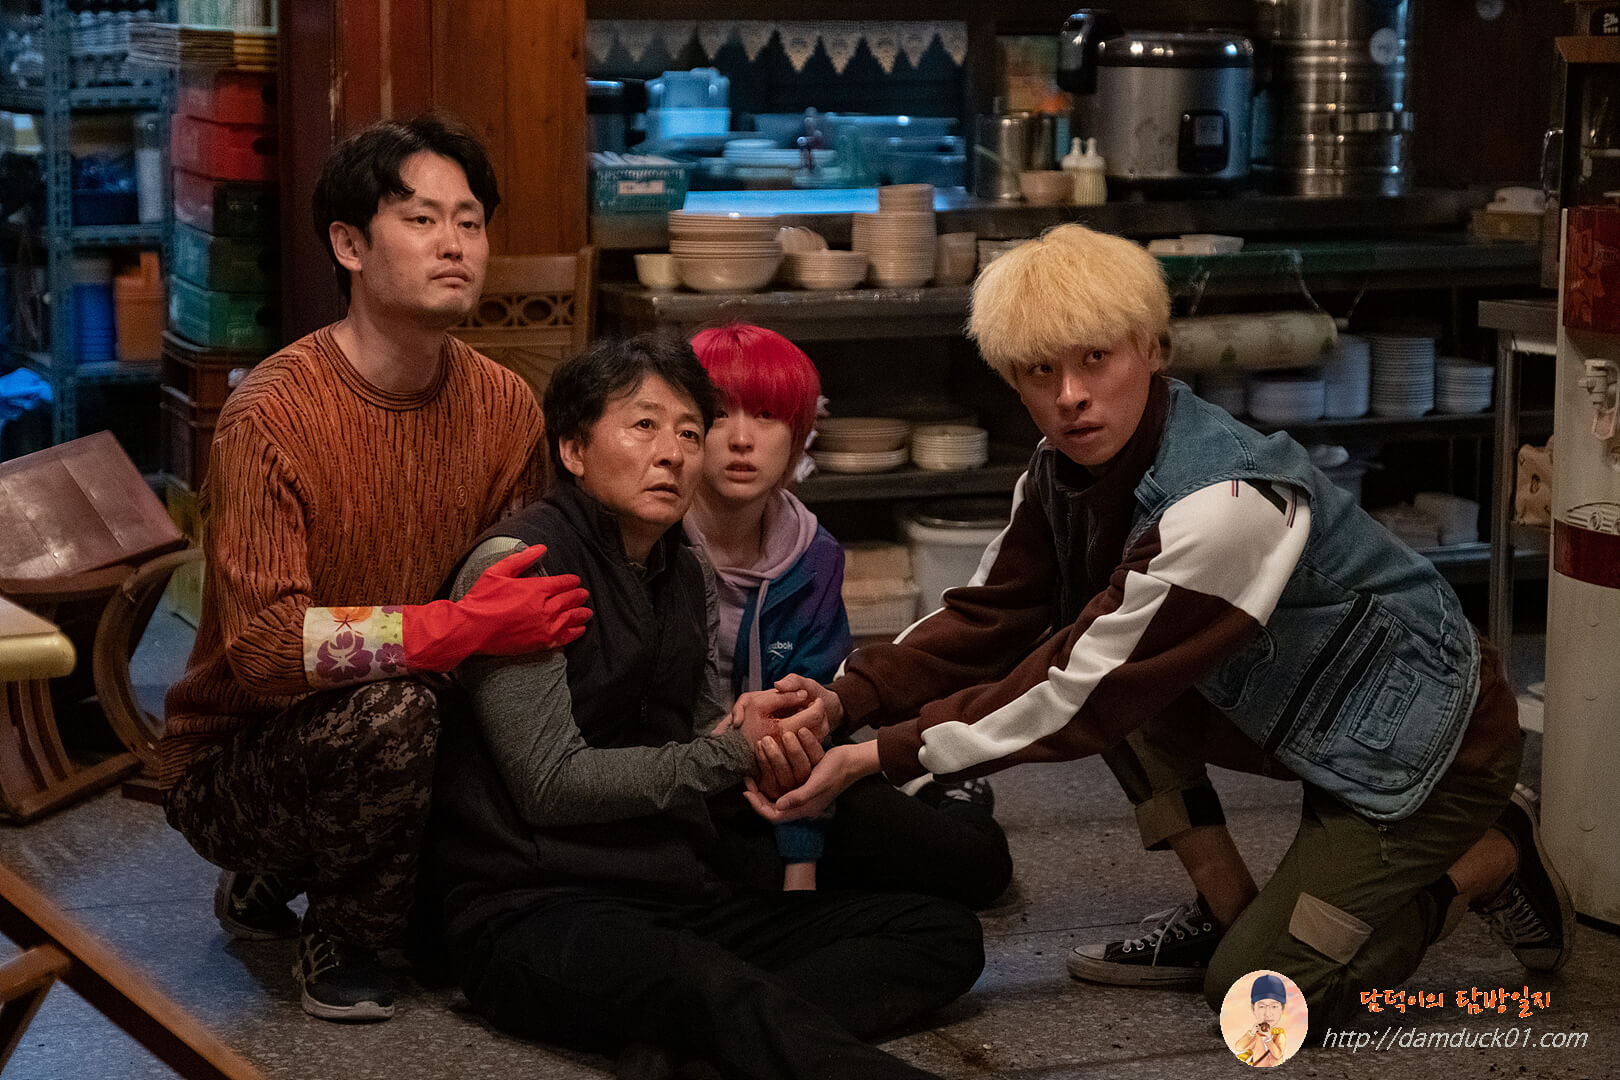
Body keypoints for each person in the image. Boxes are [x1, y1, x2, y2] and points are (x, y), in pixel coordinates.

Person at [742, 223, 1574, 1024]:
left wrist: (878, 755)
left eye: (1095, 358)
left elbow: (1079, 692)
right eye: (1039, 370)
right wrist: (843, 699)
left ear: (1152, 348)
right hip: (1308, 717)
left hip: (1428, 750)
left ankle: (1490, 857)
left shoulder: (1227, 503)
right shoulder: (1060, 470)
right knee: (1108, 669)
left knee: (1257, 1005)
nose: (1070, 396)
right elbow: (988, 614)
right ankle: (1228, 910)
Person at [426, 334, 984, 1080]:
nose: (673, 453)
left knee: (941, 933)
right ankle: (726, 1029)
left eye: (690, 432)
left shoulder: (681, 569)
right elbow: (551, 784)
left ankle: (693, 1050)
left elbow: (693, 736)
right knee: (713, 984)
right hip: (538, 907)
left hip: (673, 888)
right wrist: (728, 751)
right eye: (644, 425)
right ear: (573, 450)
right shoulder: (520, 566)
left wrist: (765, 735)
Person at [160, 115, 590, 1023]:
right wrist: (455, 629)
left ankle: (296, 871)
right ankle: (344, 933)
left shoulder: (505, 404)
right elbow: (267, 650)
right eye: (422, 220)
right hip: (240, 755)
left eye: (470, 222)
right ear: (350, 245)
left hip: (422, 710)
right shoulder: (272, 414)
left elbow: (511, 587)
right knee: (399, 709)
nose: (455, 245)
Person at [685, 322, 1011, 904]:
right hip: (686, 774)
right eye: (718, 415)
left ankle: (945, 793)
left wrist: (801, 865)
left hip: (796, 769)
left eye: (767, 415)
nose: (741, 439)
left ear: (798, 435)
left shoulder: (813, 556)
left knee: (977, 868)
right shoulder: (654, 543)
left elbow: (806, 718)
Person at [1232, 973, 1289, 1067]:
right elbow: (1239, 1047)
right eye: (1262, 1006)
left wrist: (1269, 1039)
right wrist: (1251, 1033)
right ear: (1253, 1009)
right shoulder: (1257, 1034)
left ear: (1282, 1009)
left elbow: (1277, 1055)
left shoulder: (1279, 1035)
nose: (1268, 1014)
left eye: (1274, 1006)